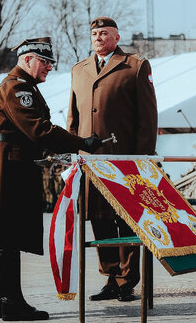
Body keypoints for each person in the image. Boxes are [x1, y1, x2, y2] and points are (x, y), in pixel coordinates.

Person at [0, 37, 101, 321]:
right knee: (6, 236)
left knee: (6, 236)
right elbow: (39, 130)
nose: (50, 68)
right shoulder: (17, 88)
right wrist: (81, 143)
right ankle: (10, 302)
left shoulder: (23, 87)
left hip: (11, 164)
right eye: (45, 61)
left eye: (51, 63)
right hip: (7, 168)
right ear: (26, 59)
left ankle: (5, 300)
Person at [67, 17, 158, 301]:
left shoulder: (135, 66)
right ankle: (110, 276)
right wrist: (72, 149)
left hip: (123, 161)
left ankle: (127, 280)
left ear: (116, 38)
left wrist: (141, 158)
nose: (97, 37)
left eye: (104, 33)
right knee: (99, 219)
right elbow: (74, 116)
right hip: (90, 163)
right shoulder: (78, 70)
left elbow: (148, 117)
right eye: (94, 33)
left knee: (127, 220)